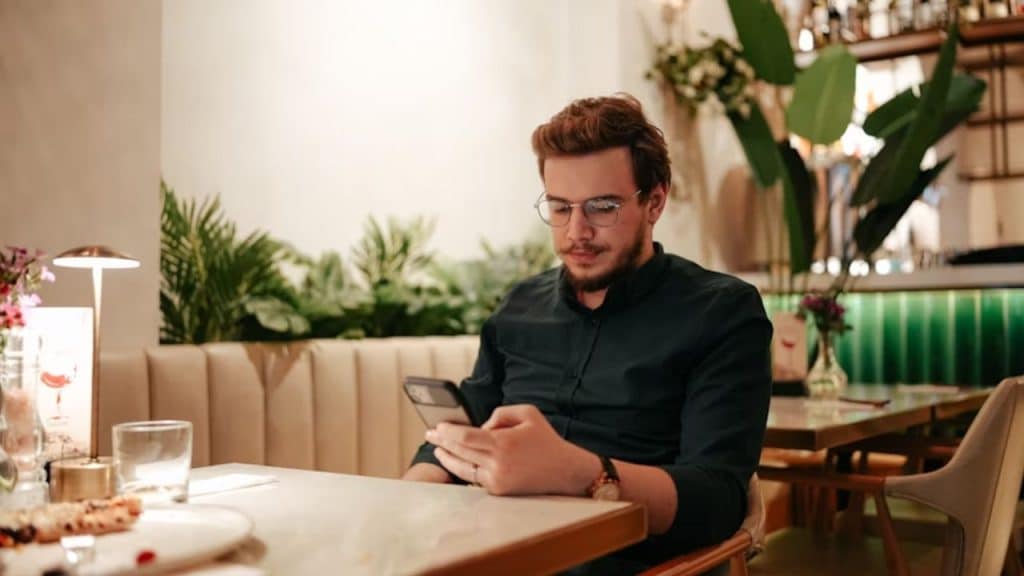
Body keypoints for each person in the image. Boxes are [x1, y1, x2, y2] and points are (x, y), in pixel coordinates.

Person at [402, 93, 772, 573]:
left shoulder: (722, 313)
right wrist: (408, 506)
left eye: (602, 207)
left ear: (654, 201)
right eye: (560, 208)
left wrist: (582, 472)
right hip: (492, 554)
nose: (576, 231)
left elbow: (717, 500)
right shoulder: (519, 306)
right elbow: (465, 422)